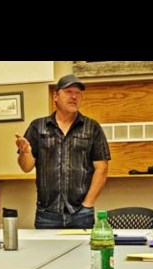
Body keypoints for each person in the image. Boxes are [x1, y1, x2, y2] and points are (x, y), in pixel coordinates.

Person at [15, 73, 111, 229]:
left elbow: (102, 168)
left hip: (81, 213)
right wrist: (25, 153)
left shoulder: (92, 127)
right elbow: (26, 167)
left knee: (83, 254)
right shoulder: (38, 127)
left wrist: (88, 203)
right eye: (68, 92)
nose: (74, 97)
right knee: (47, 254)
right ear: (55, 96)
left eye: (78, 93)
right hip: (47, 213)